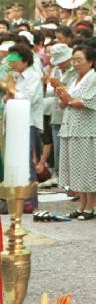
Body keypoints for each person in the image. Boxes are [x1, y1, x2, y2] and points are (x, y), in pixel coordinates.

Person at [56, 46, 96, 220]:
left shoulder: (95, 79)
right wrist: (63, 98)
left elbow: (88, 103)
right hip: (72, 128)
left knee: (87, 168)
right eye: (74, 60)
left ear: (90, 61)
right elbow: (66, 104)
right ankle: (82, 205)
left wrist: (68, 99)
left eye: (79, 60)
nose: (75, 64)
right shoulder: (75, 79)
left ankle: (90, 207)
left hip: (87, 130)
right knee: (76, 169)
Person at [4, 44, 44, 211]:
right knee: (15, 161)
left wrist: (12, 89)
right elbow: (8, 100)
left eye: (14, 60)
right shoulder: (16, 76)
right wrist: (8, 95)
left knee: (27, 162)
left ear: (25, 60)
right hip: (13, 123)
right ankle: (18, 196)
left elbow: (28, 99)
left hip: (28, 124)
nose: (11, 63)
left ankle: (30, 200)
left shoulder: (33, 77)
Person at [44, 43, 75, 181]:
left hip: (72, 114)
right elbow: (49, 93)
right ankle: (59, 176)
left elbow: (75, 93)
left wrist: (59, 86)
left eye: (62, 62)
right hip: (56, 114)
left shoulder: (76, 71)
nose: (60, 64)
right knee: (58, 148)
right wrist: (54, 87)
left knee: (70, 149)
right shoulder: (55, 70)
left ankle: (70, 179)